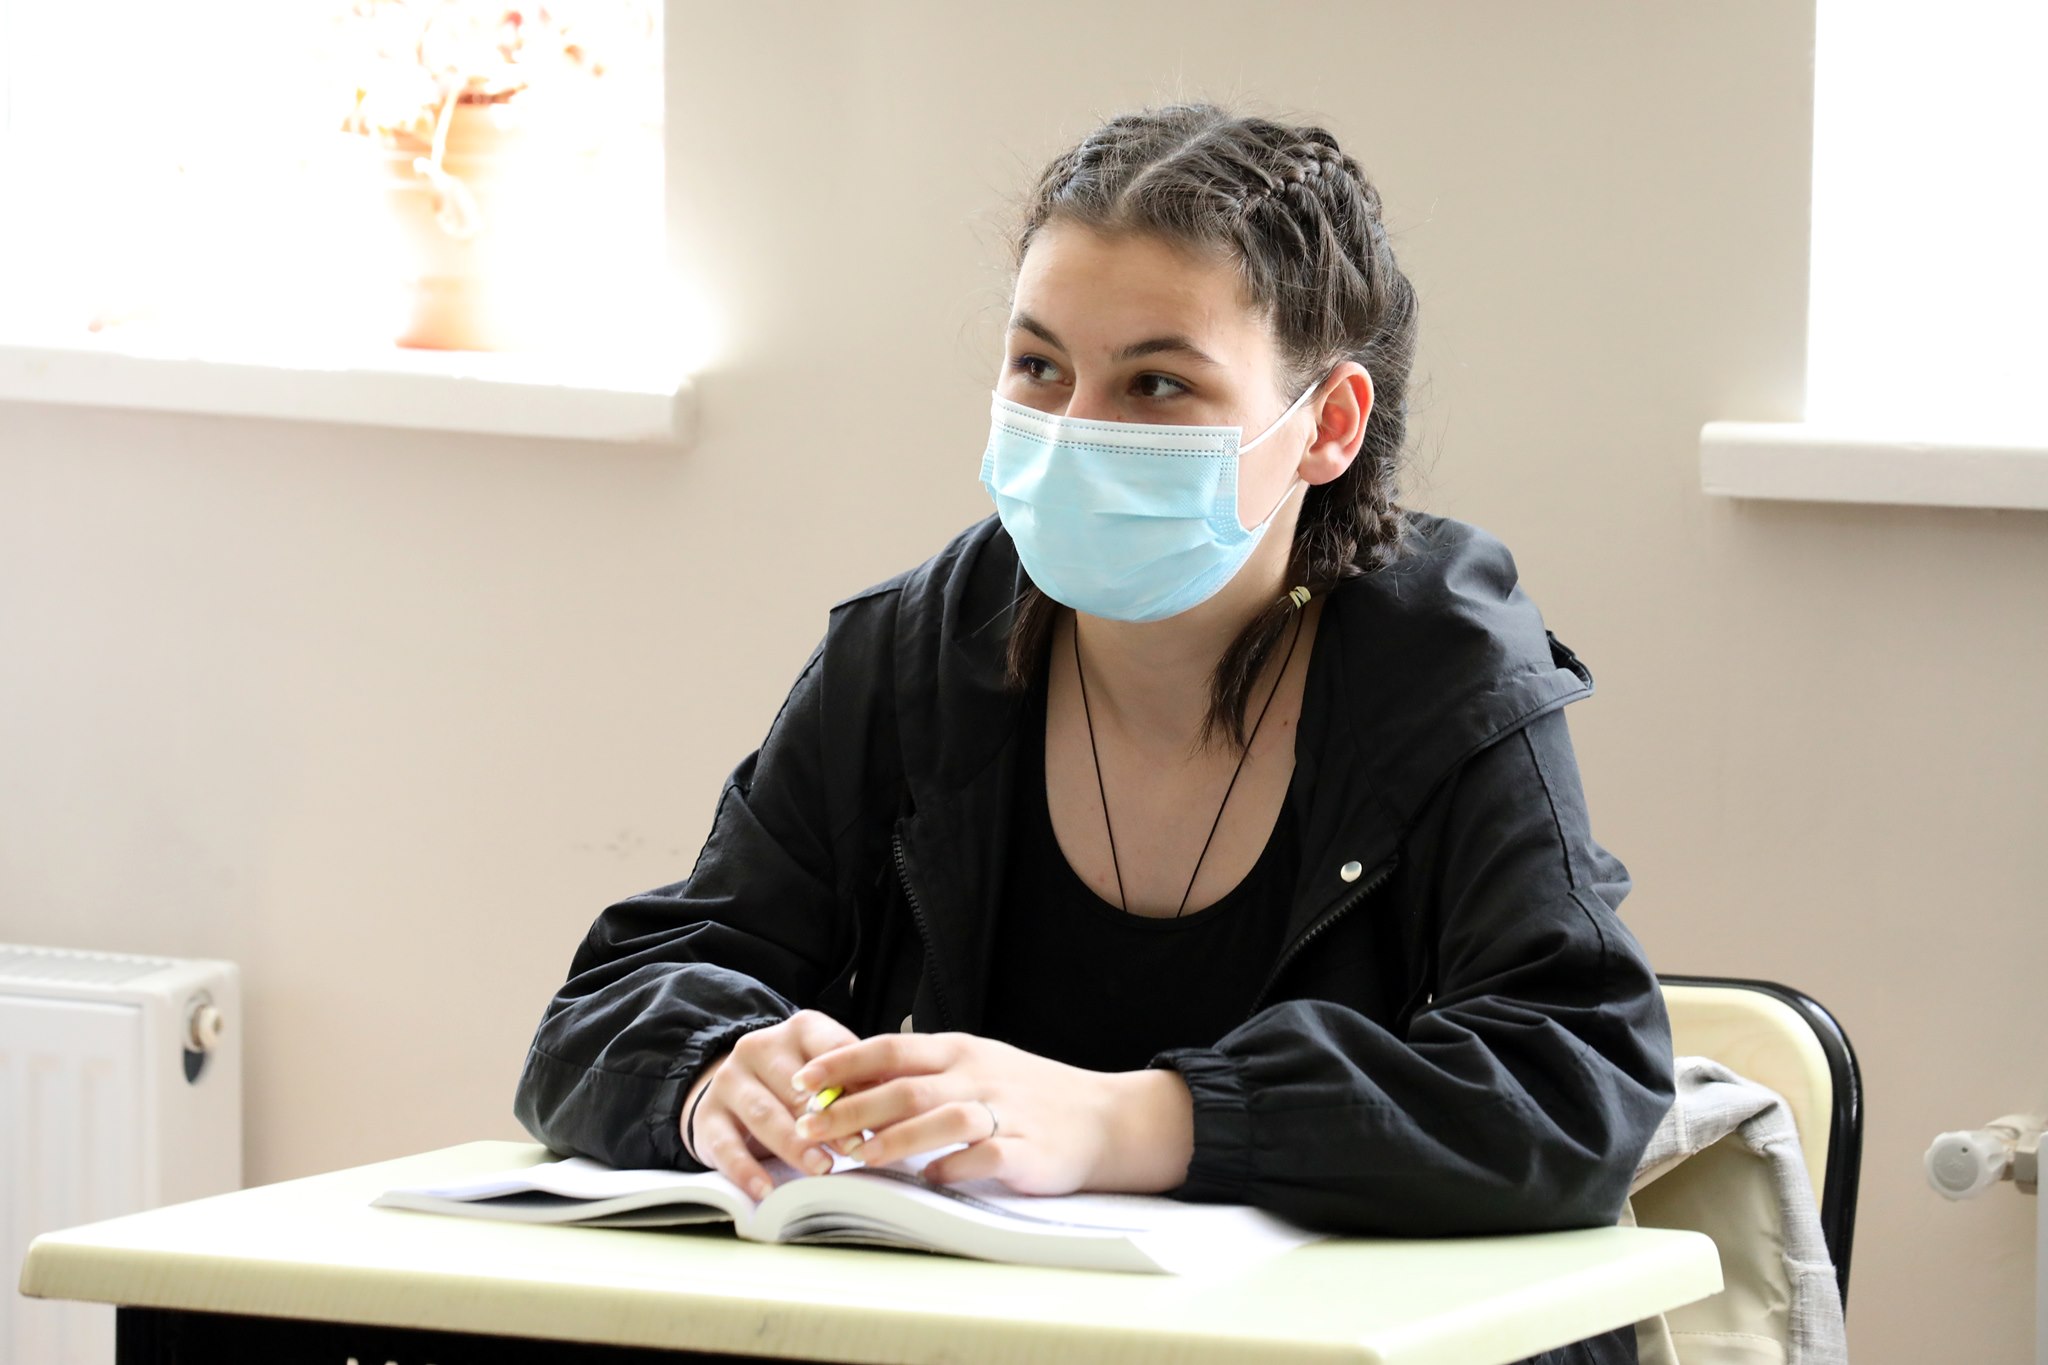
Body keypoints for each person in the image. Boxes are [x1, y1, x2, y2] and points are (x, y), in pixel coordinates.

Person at [515, 103, 1675, 1365]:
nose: (1073, 429)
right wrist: (707, 1074)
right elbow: (603, 1008)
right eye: (1037, 367)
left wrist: (1131, 1123)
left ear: (1328, 426)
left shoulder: (1440, 667)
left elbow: (1577, 1086)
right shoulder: (912, 652)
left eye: (1155, 383)